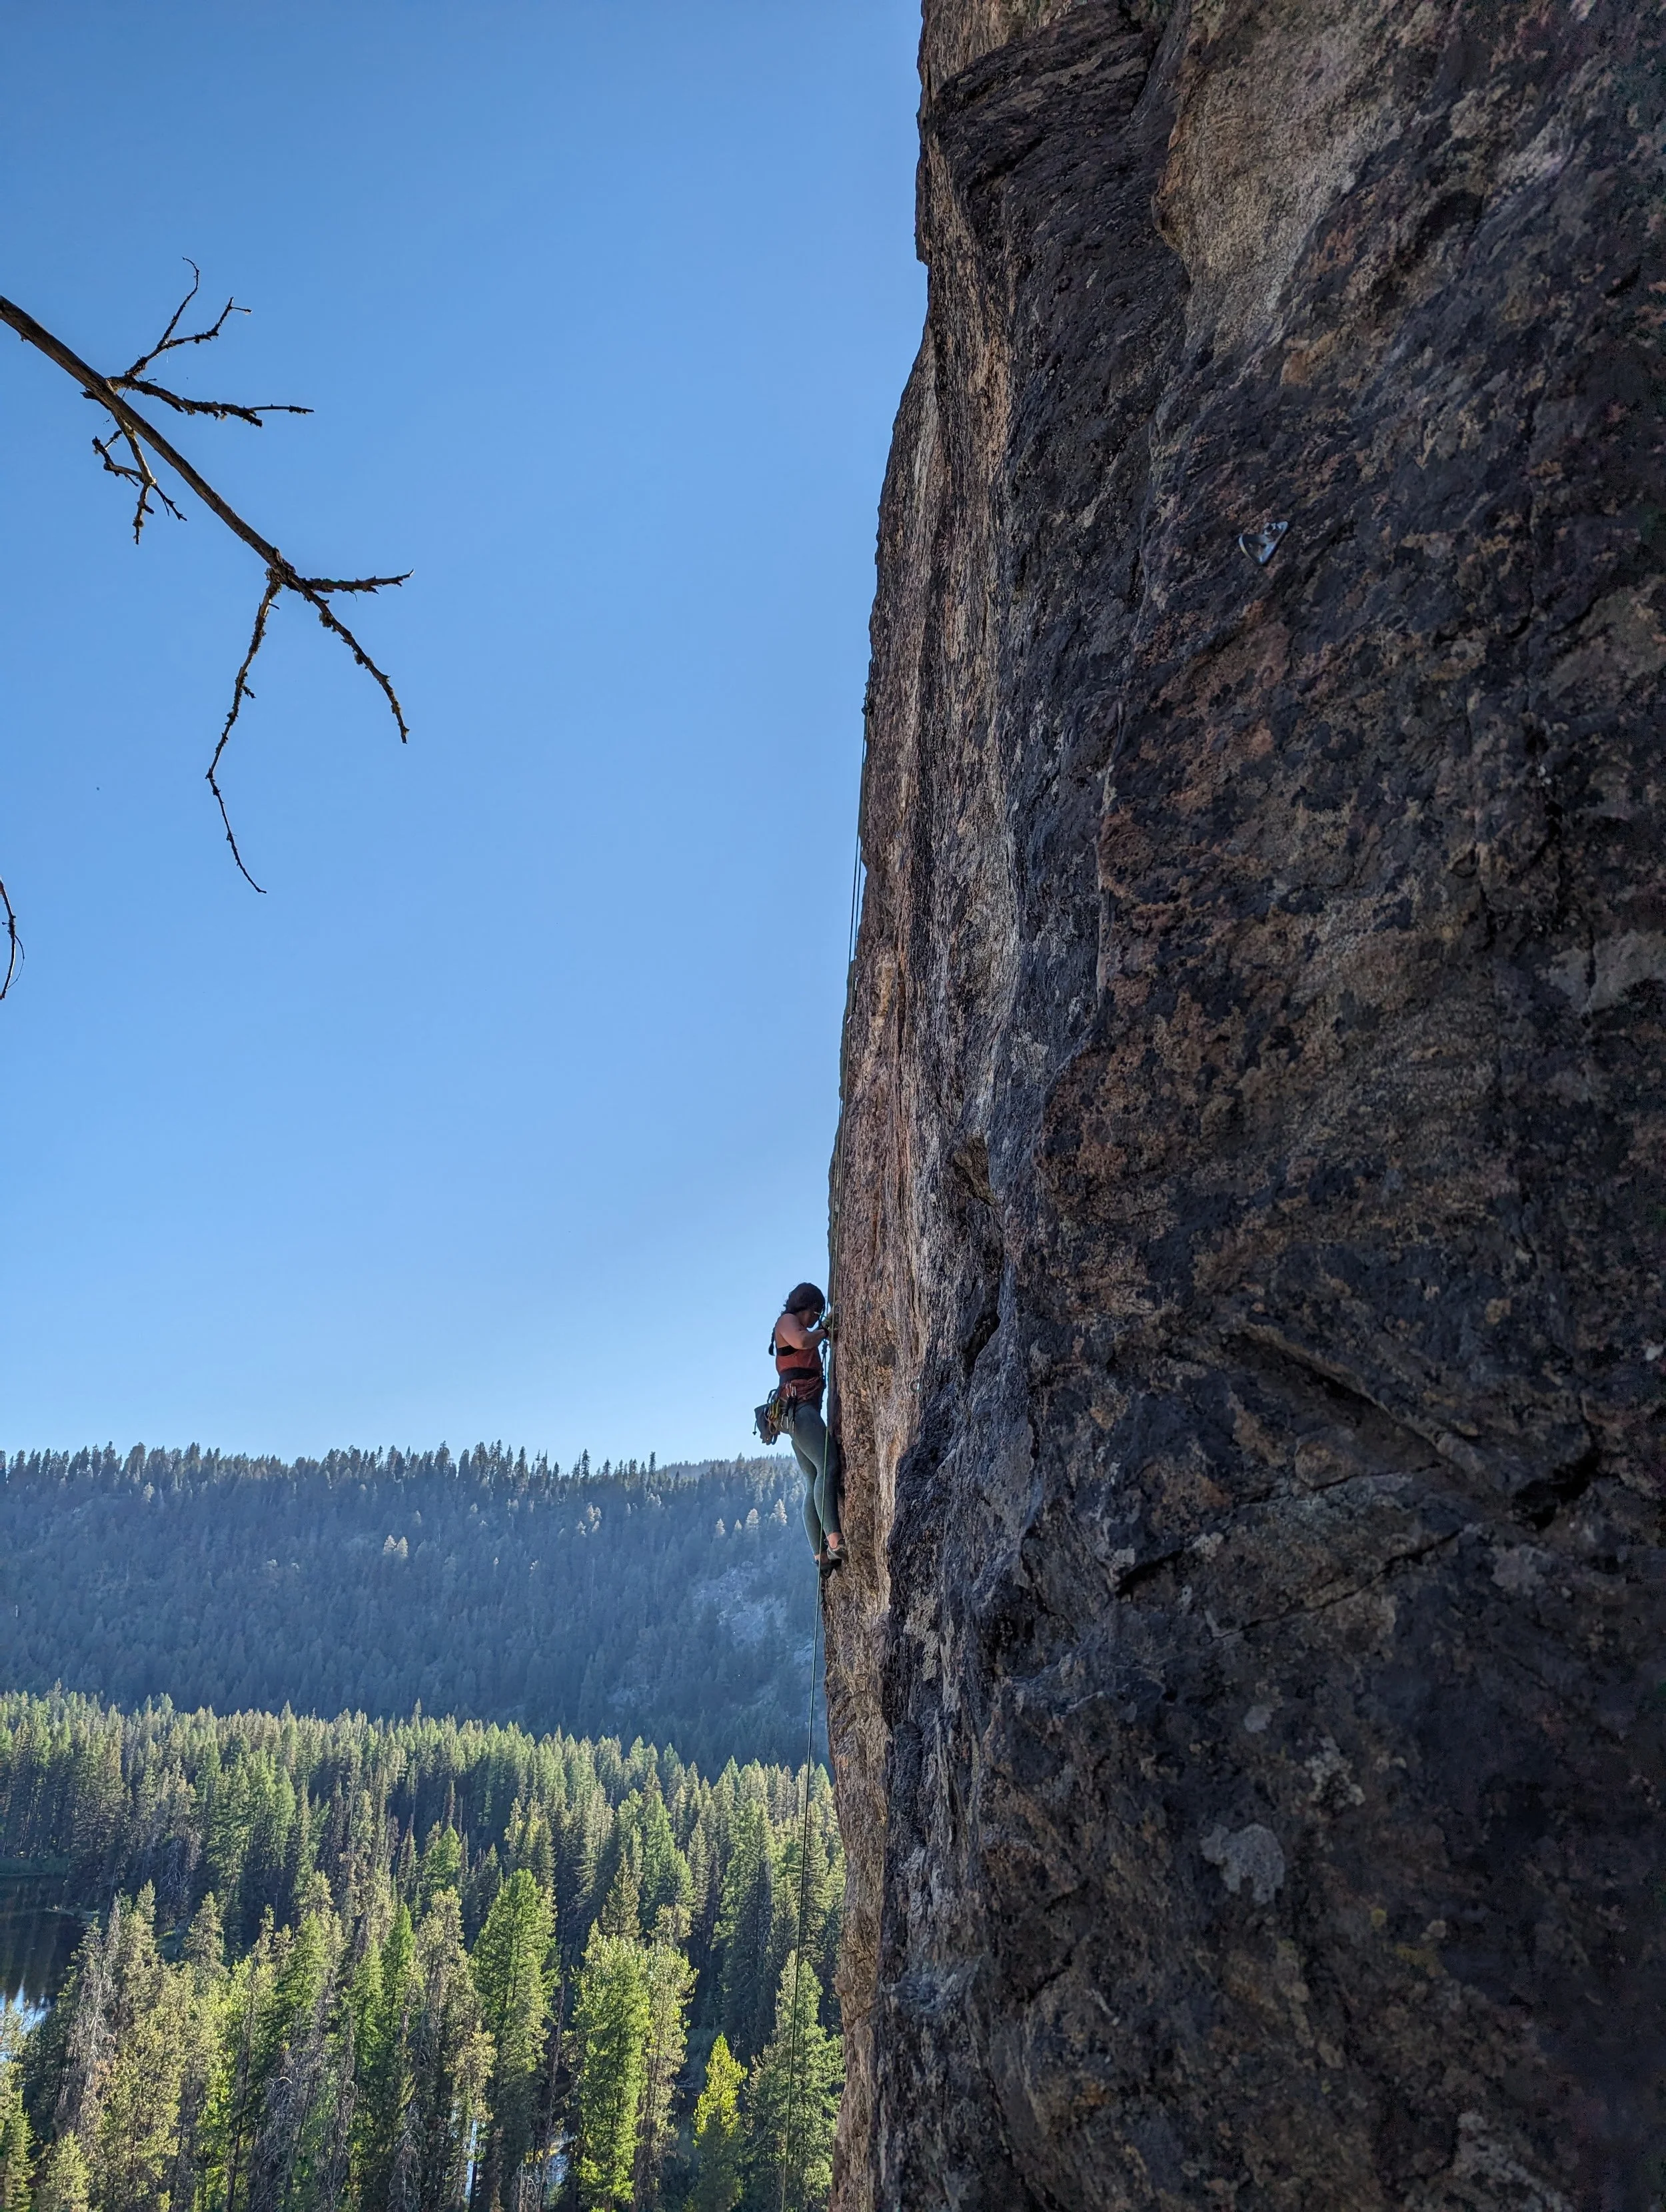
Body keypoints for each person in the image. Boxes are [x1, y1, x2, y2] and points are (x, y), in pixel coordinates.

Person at [772, 1281, 844, 1568]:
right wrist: (824, 1331)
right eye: (815, 1312)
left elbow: (806, 1340)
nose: (816, 1318)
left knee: (814, 1478)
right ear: (807, 1307)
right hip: (799, 1409)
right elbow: (802, 1341)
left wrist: (820, 1331)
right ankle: (835, 1539)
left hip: (796, 1413)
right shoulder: (786, 1321)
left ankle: (820, 1556)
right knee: (828, 1464)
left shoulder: (802, 1327)